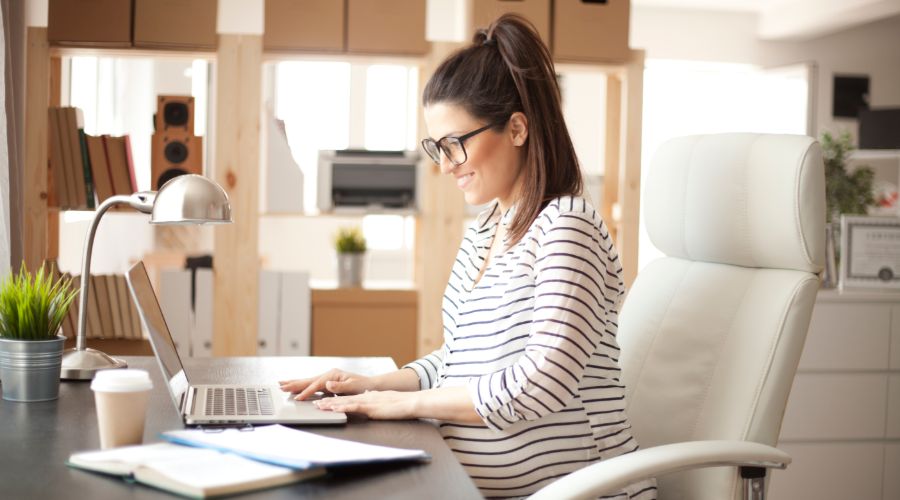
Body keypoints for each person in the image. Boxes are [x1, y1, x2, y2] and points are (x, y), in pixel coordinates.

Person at [279, 14, 657, 499]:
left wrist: (401, 406)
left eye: (455, 144)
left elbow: (543, 383)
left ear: (517, 128)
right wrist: (375, 386)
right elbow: (457, 361)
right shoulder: (485, 233)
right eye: (437, 147)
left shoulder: (567, 225)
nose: (445, 165)